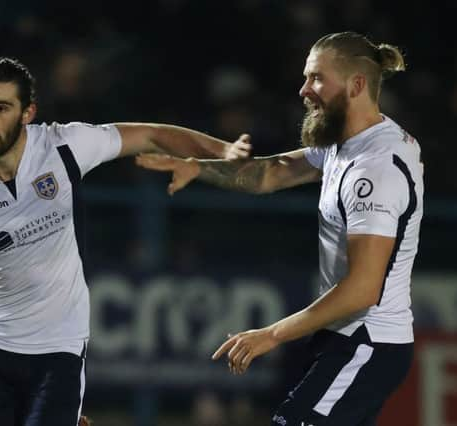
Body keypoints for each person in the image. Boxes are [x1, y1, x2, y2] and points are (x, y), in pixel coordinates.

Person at [0, 57, 251, 426]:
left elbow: (150, 134)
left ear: (27, 112)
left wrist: (222, 151)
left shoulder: (64, 147)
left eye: (1, 108)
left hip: (58, 353)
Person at [137, 31, 423, 425]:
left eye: (317, 78)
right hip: (348, 338)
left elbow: (362, 289)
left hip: (367, 343)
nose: (304, 89)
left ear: (357, 85)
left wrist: (270, 335)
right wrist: (197, 166)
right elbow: (273, 172)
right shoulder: (352, 141)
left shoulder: (374, 169)